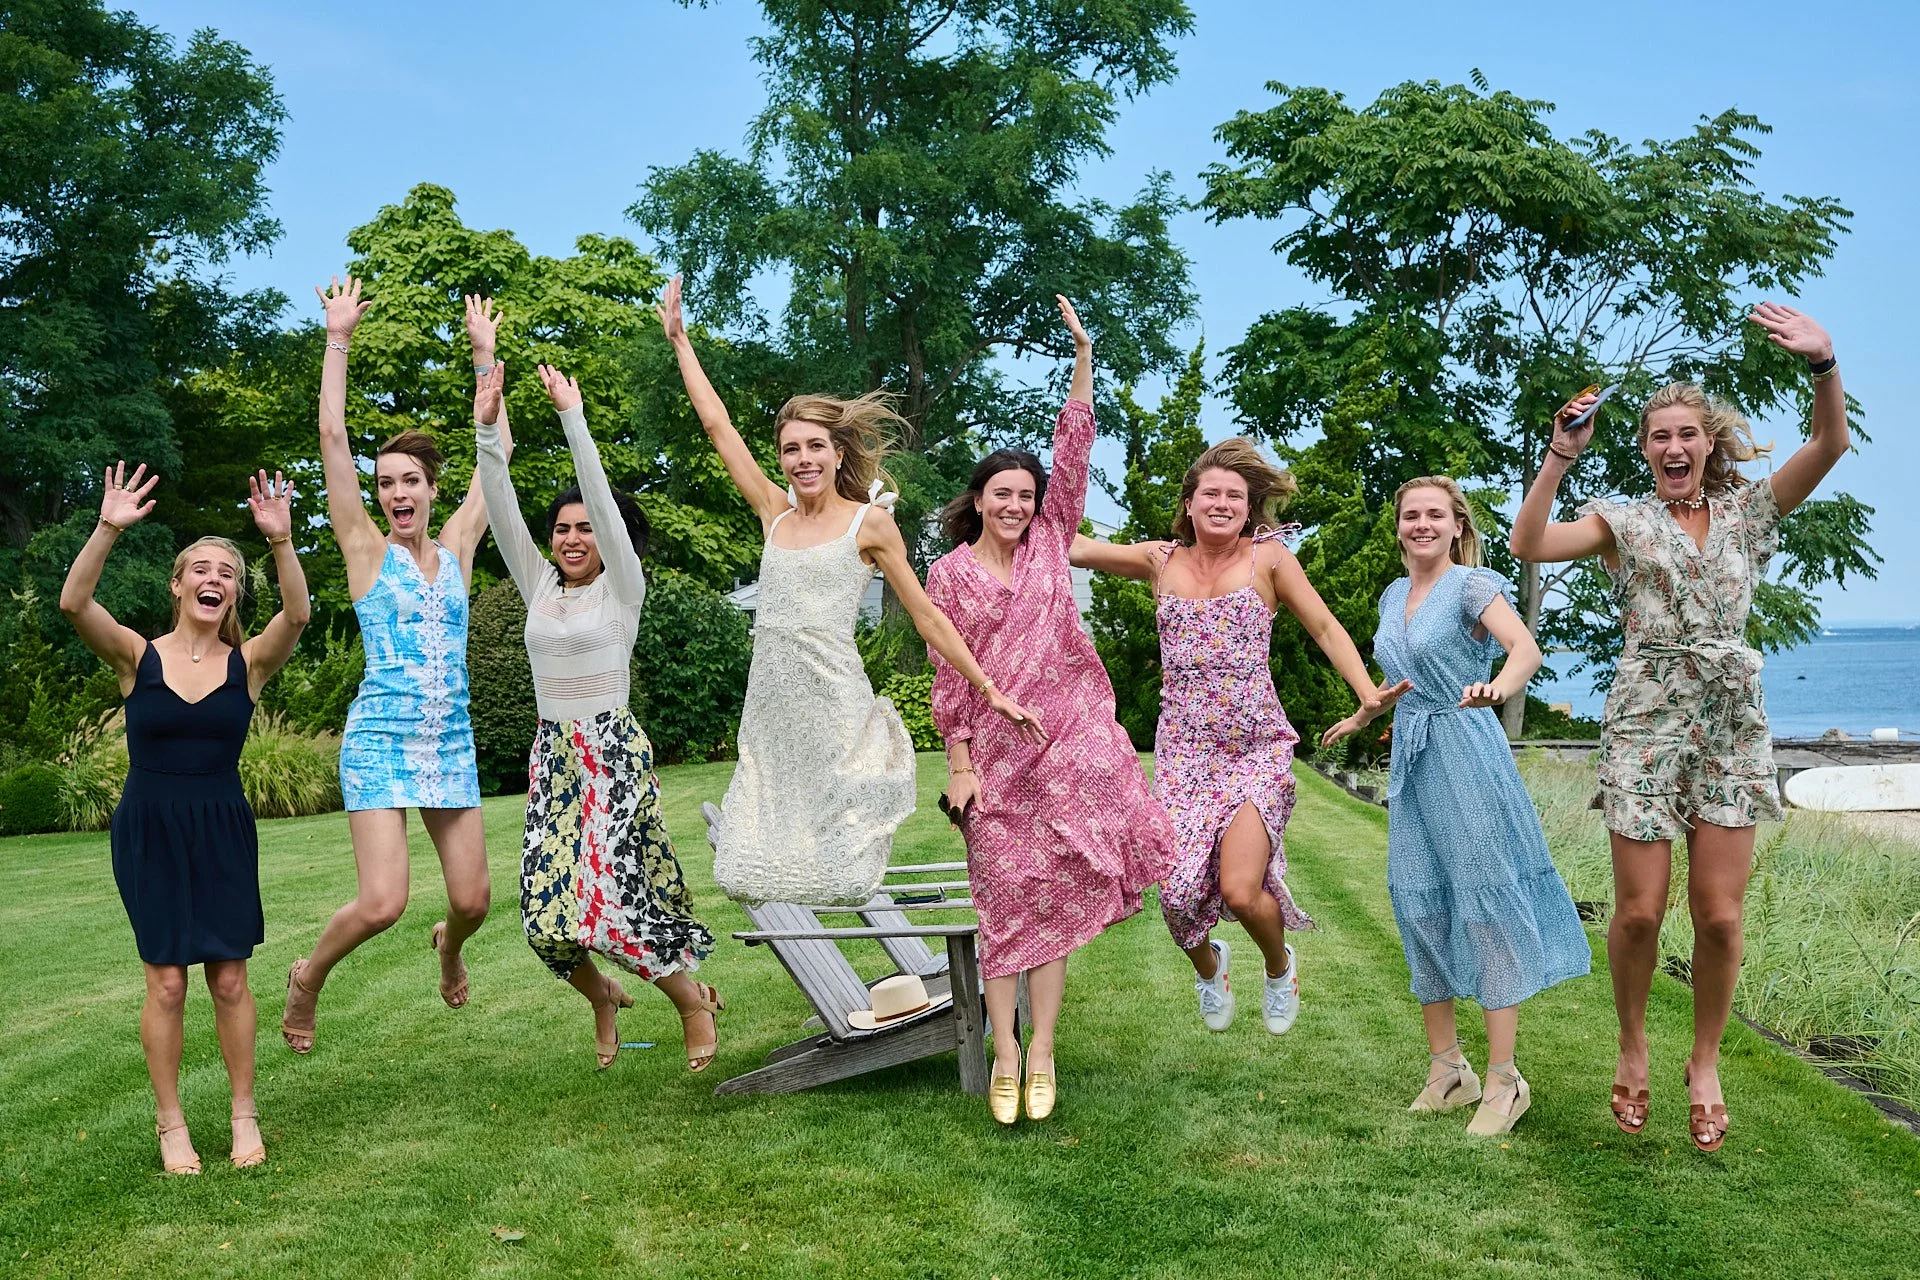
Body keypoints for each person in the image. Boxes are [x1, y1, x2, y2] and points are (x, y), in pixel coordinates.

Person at [1508, 303, 1850, 1152]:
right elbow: (1528, 543)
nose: (1671, 447)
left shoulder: (1748, 516)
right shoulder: (1624, 522)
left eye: (1685, 434)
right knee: (1637, 914)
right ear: (1645, 449)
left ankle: (1704, 1061)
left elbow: (1829, 446)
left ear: (1709, 444)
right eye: (1658, 435)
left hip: (1731, 720)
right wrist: (1560, 456)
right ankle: (1631, 1047)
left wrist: (1824, 363)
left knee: (1721, 917)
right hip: (1646, 715)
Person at [656, 276, 1044, 907]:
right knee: (742, 873)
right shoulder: (773, 513)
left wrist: (990, 690)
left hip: (834, 699)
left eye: (815, 447)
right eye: (790, 449)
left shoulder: (871, 524)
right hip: (773, 708)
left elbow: (928, 619)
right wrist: (680, 341)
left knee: (845, 875)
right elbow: (717, 426)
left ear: (837, 455)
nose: (802, 459)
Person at [924, 296, 1177, 1124]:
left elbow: (1075, 450)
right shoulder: (948, 575)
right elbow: (949, 677)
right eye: (1003, 493)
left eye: (1027, 495)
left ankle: (1046, 1052)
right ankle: (1005, 1053)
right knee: (1005, 906)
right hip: (993, 761)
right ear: (978, 498)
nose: (1017, 505)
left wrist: (1082, 355)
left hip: (1069, 745)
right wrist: (959, 762)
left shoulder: (1049, 542)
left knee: (1060, 901)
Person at [1073, 444, 1408, 1035]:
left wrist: (1365, 694)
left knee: (1241, 888)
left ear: (1250, 506)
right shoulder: (1159, 559)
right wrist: (1014, 501)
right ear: (1189, 503)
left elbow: (1326, 626)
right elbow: (1067, 545)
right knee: (1175, 897)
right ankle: (1211, 968)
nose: (1223, 503)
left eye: (1235, 495)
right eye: (1212, 494)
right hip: (1183, 752)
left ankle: (1279, 967)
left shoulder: (1269, 560)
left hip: (1256, 746)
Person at [472, 341, 723, 1072]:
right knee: (545, 922)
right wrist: (488, 428)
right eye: (563, 529)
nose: (573, 537)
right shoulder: (539, 585)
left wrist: (573, 419)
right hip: (554, 758)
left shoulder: (624, 590)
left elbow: (606, 511)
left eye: (584, 528)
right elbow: (498, 498)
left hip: (610, 751)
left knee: (610, 902)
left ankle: (688, 1004)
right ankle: (602, 996)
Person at [60, 464, 310, 1173]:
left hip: (222, 823)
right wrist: (109, 525)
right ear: (177, 586)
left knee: (230, 978)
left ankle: (242, 1115)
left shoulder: (249, 665)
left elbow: (297, 616)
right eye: (200, 569)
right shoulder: (136, 657)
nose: (214, 578)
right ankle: (172, 1125)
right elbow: (75, 603)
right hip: (151, 827)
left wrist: (281, 542)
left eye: (226, 572)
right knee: (167, 981)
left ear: (233, 591)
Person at [281, 278, 508, 1054]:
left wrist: (486, 359)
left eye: (410, 481)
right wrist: (336, 339)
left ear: (431, 490)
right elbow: (332, 440)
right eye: (387, 483)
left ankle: (451, 945)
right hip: (380, 739)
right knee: (382, 903)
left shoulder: (460, 549)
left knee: (473, 901)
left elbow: (497, 451)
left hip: (449, 743)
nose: (396, 492)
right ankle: (309, 976)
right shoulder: (365, 551)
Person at [1322, 476, 1589, 1135]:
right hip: (1414, 757)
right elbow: (1400, 678)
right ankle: (1449, 1069)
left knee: (1484, 902)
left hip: (1466, 751)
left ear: (1456, 526)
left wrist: (1496, 687)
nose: (1420, 523)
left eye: (1433, 514)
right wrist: (1363, 715)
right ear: (1400, 526)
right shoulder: (1392, 595)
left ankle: (1505, 1080)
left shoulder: (1474, 585)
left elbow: (1525, 649)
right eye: (1410, 514)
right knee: (1418, 901)